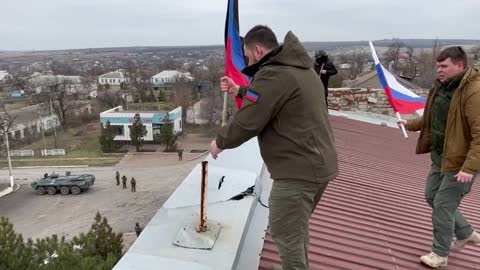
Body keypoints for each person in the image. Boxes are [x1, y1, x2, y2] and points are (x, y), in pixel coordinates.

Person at [211, 25, 338, 270]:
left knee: (286, 232)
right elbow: (271, 97)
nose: (247, 60)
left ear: (257, 50)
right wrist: (241, 90)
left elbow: (249, 121)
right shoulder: (295, 67)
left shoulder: (275, 74)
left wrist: (219, 142)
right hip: (315, 164)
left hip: (298, 171)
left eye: (247, 55)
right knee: (295, 230)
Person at [398, 46, 480, 268]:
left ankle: (440, 254)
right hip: (441, 156)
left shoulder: (473, 91)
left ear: (459, 65)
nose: (439, 70)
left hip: (461, 161)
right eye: (438, 66)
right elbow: (432, 116)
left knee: (443, 205)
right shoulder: (442, 87)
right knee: (432, 196)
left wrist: (469, 168)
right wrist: (410, 124)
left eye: (444, 66)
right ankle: (466, 232)